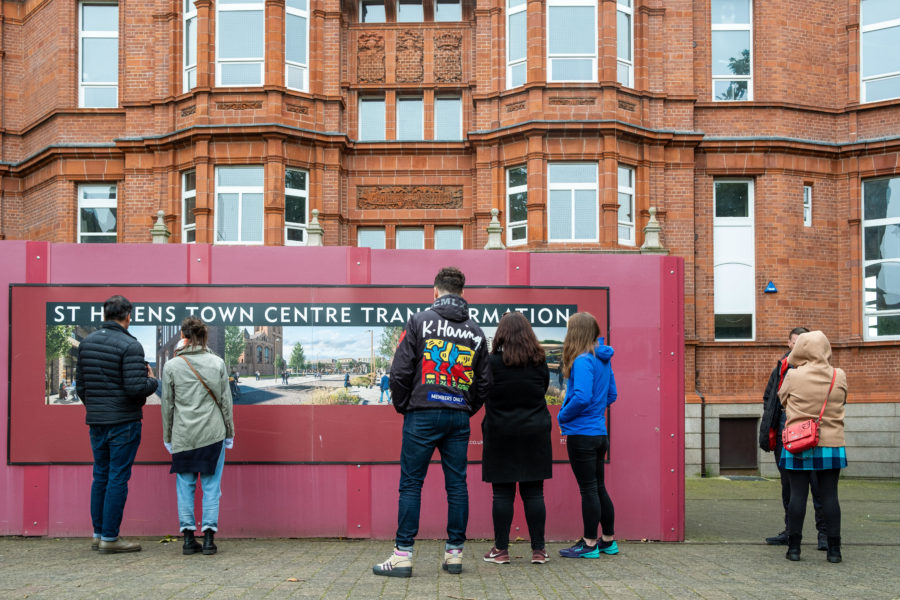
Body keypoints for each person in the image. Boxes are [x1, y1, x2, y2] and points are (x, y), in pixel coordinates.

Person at [373, 267, 492, 578]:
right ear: (462, 293)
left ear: (435, 292)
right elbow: (484, 383)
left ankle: (403, 556)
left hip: (422, 413)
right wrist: (466, 407)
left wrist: (404, 405)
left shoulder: (419, 321)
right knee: (457, 486)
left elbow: (399, 372)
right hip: (457, 415)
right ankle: (454, 555)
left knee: (411, 484)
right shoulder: (476, 332)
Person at [76, 295, 159, 554]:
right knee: (117, 478)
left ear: (105, 315)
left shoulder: (87, 343)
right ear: (128, 316)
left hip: (97, 422)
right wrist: (153, 381)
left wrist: (97, 408)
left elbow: (81, 387)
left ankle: (98, 534)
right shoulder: (130, 345)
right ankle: (110, 538)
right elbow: (136, 389)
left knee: (100, 475)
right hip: (123, 422)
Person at [481, 311, 551, 565]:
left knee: (502, 494)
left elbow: (483, 392)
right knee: (534, 493)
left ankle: (501, 550)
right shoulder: (539, 361)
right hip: (535, 432)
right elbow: (542, 390)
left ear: (501, 334)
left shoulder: (491, 363)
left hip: (500, 433)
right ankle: (539, 551)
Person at [161, 317, 235, 556]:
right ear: (204, 337)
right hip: (213, 434)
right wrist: (230, 433)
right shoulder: (217, 363)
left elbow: (167, 406)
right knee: (212, 487)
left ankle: (187, 539)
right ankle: (209, 539)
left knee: (185, 486)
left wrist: (167, 436)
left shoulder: (172, 366)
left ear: (183, 336)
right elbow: (226, 403)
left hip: (183, 435)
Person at [778, 330, 848, 563]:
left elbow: (782, 400)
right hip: (831, 442)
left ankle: (794, 549)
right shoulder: (839, 375)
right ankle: (834, 551)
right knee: (830, 496)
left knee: (798, 496)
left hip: (799, 441)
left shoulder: (793, 375)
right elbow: (842, 401)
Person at [758, 327, 827, 549]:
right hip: (784, 436)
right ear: (788, 343)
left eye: (802, 343)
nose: (798, 347)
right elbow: (770, 396)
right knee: (789, 487)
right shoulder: (781, 367)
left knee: (819, 487)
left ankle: (824, 534)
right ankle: (791, 532)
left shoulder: (819, 370)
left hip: (814, 436)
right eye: (795, 342)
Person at [557, 312, 618, 559]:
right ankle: (608, 541)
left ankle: (589, 544)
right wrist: (595, 411)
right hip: (599, 433)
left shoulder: (582, 360)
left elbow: (581, 396)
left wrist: (563, 416)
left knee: (588, 490)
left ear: (576, 332)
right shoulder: (602, 359)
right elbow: (611, 395)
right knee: (598, 487)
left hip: (581, 434)